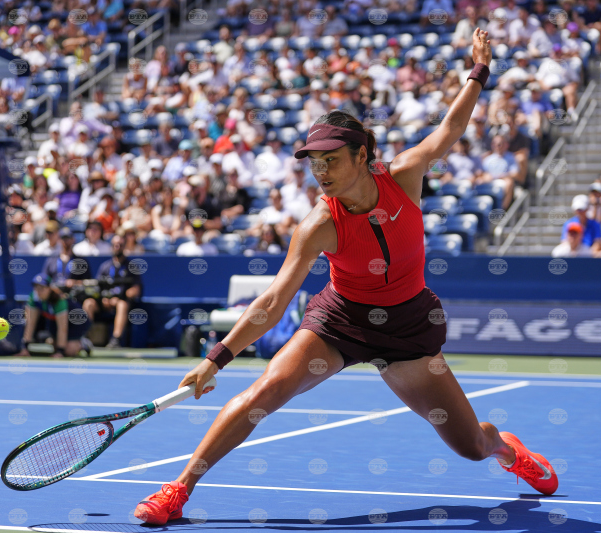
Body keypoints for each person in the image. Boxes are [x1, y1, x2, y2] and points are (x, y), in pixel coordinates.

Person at [133, 29, 558, 526]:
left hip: (406, 328)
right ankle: (178, 490)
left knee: (469, 446)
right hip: (339, 321)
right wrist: (216, 358)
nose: (321, 171)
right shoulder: (319, 224)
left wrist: (478, 72)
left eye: (331, 160)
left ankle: (506, 450)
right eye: (315, 163)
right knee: (264, 393)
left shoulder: (404, 176)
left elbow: (451, 127)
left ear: (362, 155)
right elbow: (273, 301)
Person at [82, 234, 143, 348]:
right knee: (88, 303)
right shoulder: (105, 266)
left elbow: (136, 289)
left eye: (120, 245)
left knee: (122, 305)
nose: (117, 247)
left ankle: (116, 339)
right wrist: (103, 299)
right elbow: (97, 287)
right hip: (103, 302)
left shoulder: (131, 267)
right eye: (115, 245)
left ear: (124, 246)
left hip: (120, 302)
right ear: (111, 247)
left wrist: (120, 297)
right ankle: (84, 338)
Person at [15, 274, 92, 358]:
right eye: (36, 287)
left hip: (77, 322)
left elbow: (63, 328)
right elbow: (30, 323)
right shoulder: (34, 297)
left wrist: (60, 352)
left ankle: (83, 344)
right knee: (55, 345)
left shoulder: (59, 300)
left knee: (68, 351)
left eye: (42, 288)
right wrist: (25, 348)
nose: (38, 291)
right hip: (54, 320)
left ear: (49, 288)